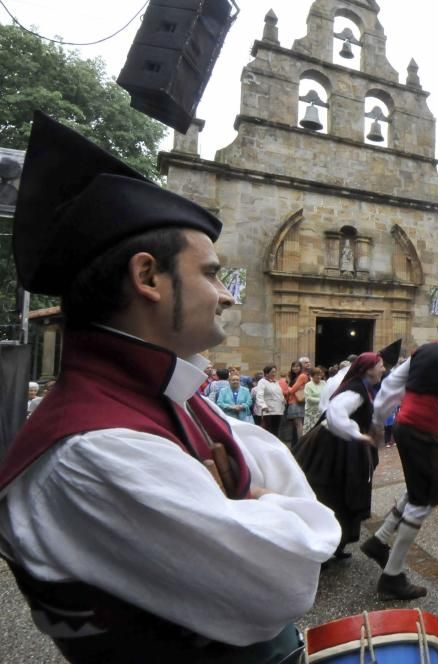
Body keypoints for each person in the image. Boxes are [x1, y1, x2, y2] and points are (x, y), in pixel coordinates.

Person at [0, 113, 340, 662]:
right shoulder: (94, 448)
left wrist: (251, 503)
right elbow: (287, 579)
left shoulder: (167, 395)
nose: (226, 295)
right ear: (147, 278)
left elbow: (280, 469)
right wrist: (270, 508)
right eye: (209, 272)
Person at [362, 305, 438, 600]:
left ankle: (380, 539)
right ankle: (392, 576)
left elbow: (391, 387)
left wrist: (377, 420)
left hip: (404, 428)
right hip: (424, 432)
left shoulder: (422, 351)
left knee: (416, 490)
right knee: (424, 501)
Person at [295, 353, 385, 560]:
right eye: (380, 365)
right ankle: (323, 547)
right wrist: (356, 434)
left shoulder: (361, 386)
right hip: (333, 446)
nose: (383, 369)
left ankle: (335, 544)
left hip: (341, 444)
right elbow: (335, 412)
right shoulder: (356, 391)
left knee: (340, 494)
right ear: (368, 369)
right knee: (331, 494)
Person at [281, 360, 309, 444]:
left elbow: (292, 390)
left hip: (297, 401)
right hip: (294, 401)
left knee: (298, 423)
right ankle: (299, 442)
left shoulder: (302, 376)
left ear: (301, 367)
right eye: (293, 366)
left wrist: (288, 387)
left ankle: (301, 442)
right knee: (297, 424)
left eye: (297, 366)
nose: (295, 368)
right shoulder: (296, 376)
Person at [256, 364, 286, 435]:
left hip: (278, 410)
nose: (274, 374)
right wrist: (263, 406)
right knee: (269, 431)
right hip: (268, 411)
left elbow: (279, 394)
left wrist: (283, 399)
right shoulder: (262, 382)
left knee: (276, 430)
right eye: (272, 372)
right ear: (266, 373)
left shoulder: (276, 382)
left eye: (275, 372)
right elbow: (259, 395)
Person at [303, 366, 326, 431]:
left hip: (321, 412)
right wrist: (321, 400)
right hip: (311, 413)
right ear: (312, 376)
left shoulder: (324, 383)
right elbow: (308, 399)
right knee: (310, 431)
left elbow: (327, 395)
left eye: (320, 375)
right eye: (317, 375)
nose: (319, 377)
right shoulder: (308, 385)